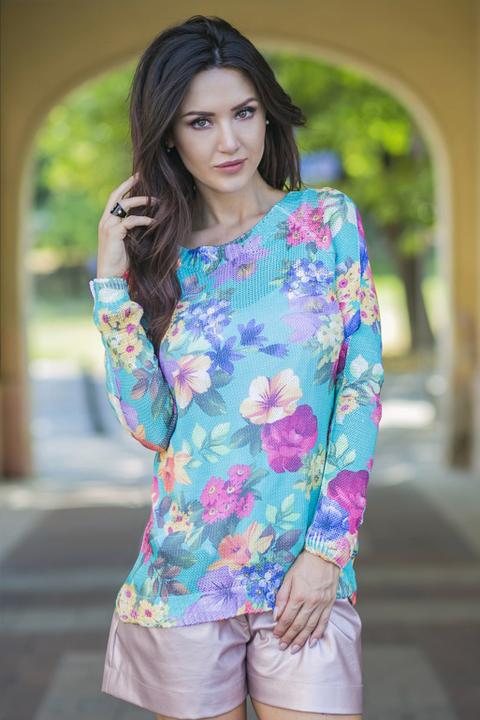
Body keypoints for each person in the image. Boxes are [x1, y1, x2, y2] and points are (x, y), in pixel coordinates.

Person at [90, 14, 385, 720]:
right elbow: (153, 426)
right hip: (187, 577)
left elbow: (361, 388)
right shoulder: (159, 259)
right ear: (168, 134)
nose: (230, 141)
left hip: (304, 579)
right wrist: (111, 285)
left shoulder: (325, 222)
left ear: (266, 114)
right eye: (201, 122)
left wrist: (328, 553)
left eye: (244, 112)